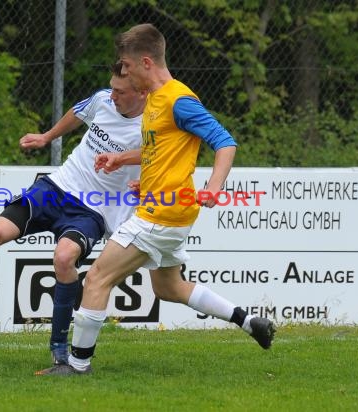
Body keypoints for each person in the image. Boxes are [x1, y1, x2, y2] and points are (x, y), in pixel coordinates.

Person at [39, 23, 275, 376]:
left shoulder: (179, 100)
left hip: (161, 214)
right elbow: (160, 150)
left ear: (146, 62)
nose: (124, 73)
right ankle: (249, 321)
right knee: (169, 287)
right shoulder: (155, 99)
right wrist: (126, 163)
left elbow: (225, 141)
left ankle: (76, 365)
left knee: (97, 278)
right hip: (166, 209)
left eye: (128, 66)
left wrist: (214, 185)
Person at [0, 62, 147, 369]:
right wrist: (47, 137)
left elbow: (161, 154)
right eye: (112, 88)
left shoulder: (153, 123)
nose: (113, 96)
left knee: (63, 258)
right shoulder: (102, 100)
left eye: (120, 91)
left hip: (94, 208)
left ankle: (59, 345)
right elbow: (78, 112)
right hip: (57, 187)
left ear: (141, 92)